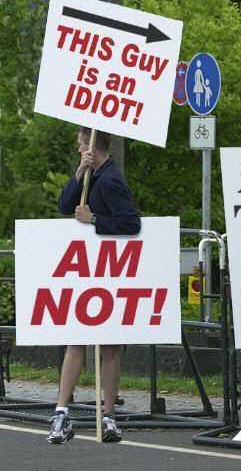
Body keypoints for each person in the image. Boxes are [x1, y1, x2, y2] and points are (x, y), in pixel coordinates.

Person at [47, 127, 141, 444]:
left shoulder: (111, 179)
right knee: (78, 339)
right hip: (89, 270)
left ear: (91, 146)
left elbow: (131, 222)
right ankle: (62, 412)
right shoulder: (92, 175)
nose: (78, 149)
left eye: (80, 145)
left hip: (109, 271)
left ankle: (108, 415)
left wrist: (95, 220)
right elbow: (65, 205)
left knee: (109, 346)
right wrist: (78, 174)